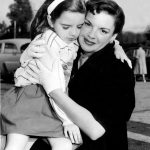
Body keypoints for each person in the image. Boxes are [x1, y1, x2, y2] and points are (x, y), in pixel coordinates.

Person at [24, 0, 135, 149]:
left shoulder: (118, 70)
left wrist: (54, 90)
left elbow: (95, 130)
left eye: (103, 31)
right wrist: (27, 56)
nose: (91, 35)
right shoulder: (69, 52)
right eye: (87, 24)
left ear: (113, 36)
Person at [1, 0, 98, 150]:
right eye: (66, 26)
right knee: (16, 145)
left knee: (64, 145)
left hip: (50, 102)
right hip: (32, 99)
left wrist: (116, 45)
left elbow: (101, 35)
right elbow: (55, 86)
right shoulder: (48, 46)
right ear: (50, 21)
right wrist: (67, 120)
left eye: (79, 26)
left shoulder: (66, 39)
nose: (74, 32)